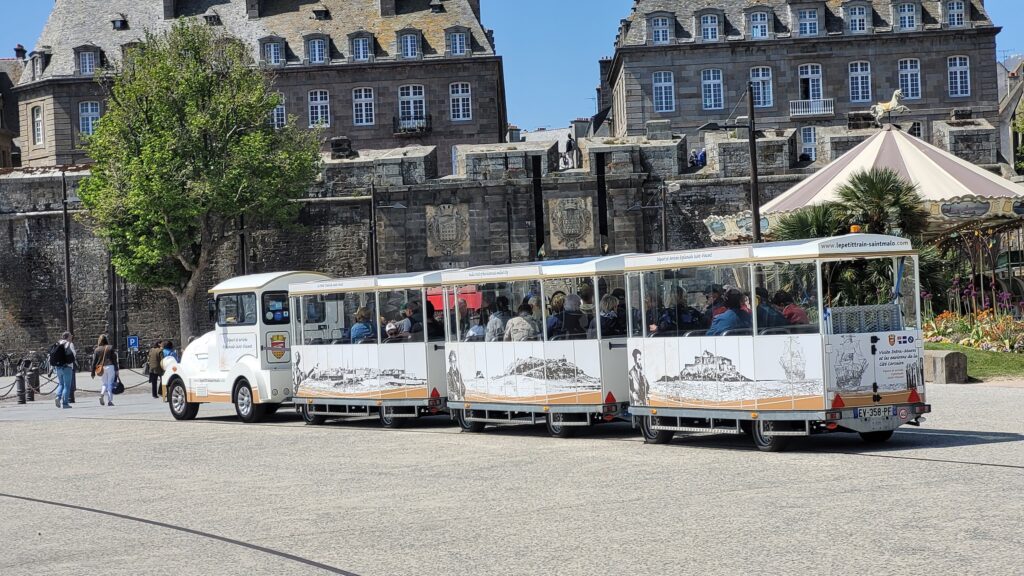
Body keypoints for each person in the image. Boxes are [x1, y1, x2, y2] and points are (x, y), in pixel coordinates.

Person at [92, 334, 120, 407]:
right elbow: (114, 359)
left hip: (101, 368)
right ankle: (110, 401)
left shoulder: (97, 349)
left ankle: (102, 394)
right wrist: (116, 369)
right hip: (110, 366)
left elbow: (94, 361)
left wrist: (92, 372)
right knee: (110, 383)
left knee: (104, 383)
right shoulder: (110, 348)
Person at [51, 331, 76, 409]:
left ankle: (58, 397)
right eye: (70, 336)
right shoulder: (69, 344)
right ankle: (65, 403)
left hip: (58, 367)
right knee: (67, 386)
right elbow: (73, 355)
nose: (71, 337)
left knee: (61, 384)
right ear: (68, 337)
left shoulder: (58, 343)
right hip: (67, 367)